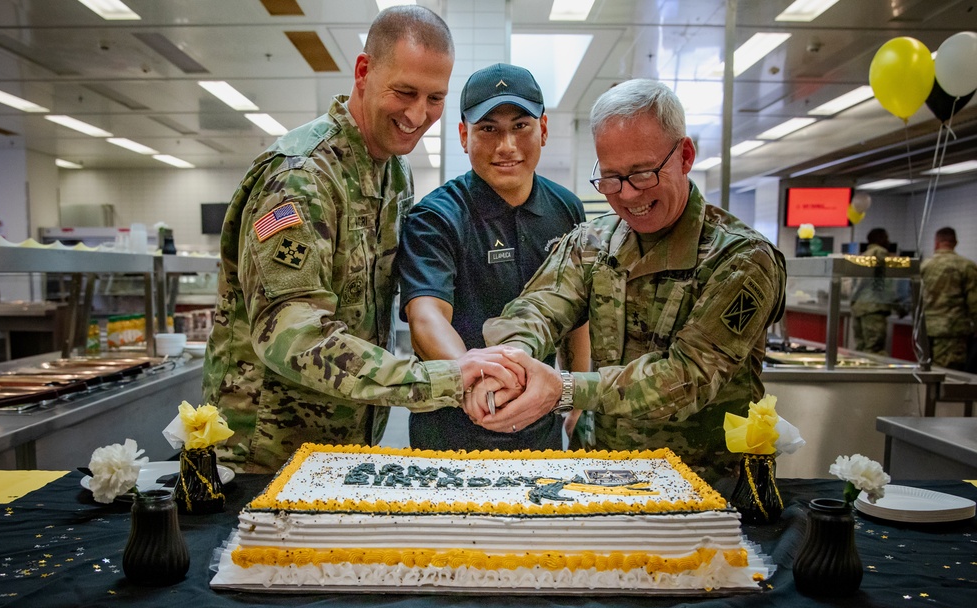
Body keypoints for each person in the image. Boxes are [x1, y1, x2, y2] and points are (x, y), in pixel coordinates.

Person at [202, 6, 521, 473]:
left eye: (435, 98)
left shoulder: (393, 173)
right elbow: (291, 335)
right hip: (263, 454)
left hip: (341, 446)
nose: (418, 114)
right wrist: (438, 380)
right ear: (363, 71)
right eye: (405, 92)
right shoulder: (300, 177)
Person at [468, 78, 787, 485]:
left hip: (705, 484)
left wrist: (565, 389)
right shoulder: (594, 241)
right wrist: (511, 360)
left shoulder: (741, 258)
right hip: (602, 474)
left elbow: (686, 377)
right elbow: (540, 307)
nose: (627, 194)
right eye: (611, 178)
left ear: (684, 156)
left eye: (643, 173)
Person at [396, 63, 588, 451]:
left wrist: (577, 394)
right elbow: (426, 316)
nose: (507, 146)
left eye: (521, 126)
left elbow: (578, 315)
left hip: (539, 428)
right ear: (465, 135)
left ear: (544, 129)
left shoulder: (567, 210)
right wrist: (479, 376)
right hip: (450, 428)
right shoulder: (436, 216)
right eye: (489, 129)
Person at [920, 226, 977, 371]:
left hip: (926, 329)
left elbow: (914, 296)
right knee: (948, 374)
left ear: (936, 242)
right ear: (955, 242)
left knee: (925, 371)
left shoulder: (925, 265)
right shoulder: (966, 266)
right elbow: (974, 302)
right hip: (952, 331)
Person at [850, 228, 908, 354]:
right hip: (874, 309)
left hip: (859, 308)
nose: (889, 241)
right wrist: (899, 307)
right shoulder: (880, 253)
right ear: (881, 239)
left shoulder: (863, 255)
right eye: (887, 238)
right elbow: (882, 285)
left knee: (860, 350)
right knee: (874, 351)